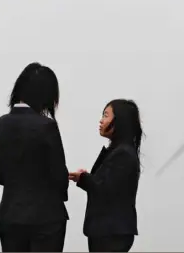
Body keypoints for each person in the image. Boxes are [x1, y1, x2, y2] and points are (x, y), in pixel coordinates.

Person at [0, 62, 69, 252]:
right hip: (46, 217)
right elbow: (58, 174)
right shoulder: (46, 126)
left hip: (10, 215)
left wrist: (17, 179)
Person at [69, 99, 143, 252]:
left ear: (119, 120)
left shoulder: (122, 153)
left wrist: (83, 178)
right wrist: (84, 178)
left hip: (111, 232)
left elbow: (104, 189)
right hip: (108, 231)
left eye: (106, 115)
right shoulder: (119, 151)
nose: (101, 121)